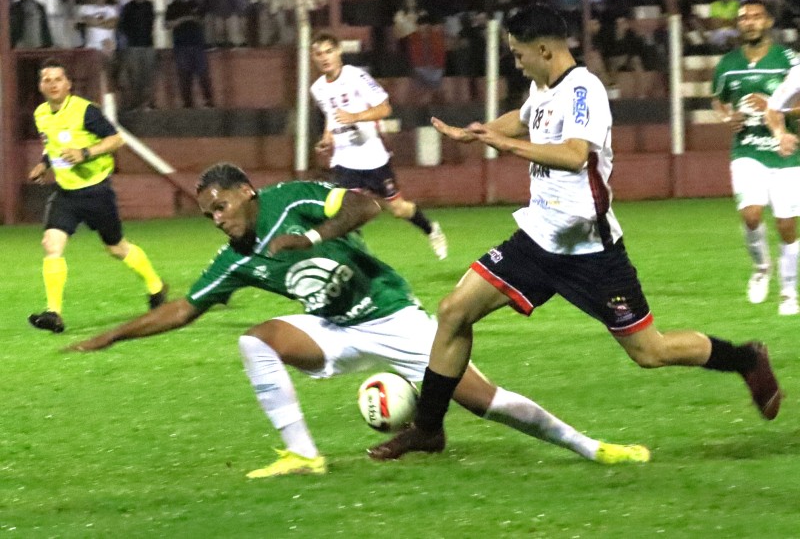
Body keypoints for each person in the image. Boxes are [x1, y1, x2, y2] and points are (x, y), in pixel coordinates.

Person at [368, 3, 783, 462]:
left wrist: (504, 145)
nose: (516, 62)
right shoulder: (542, 86)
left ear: (544, 49)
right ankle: (428, 429)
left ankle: (745, 358)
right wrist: (480, 132)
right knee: (453, 312)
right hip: (537, 240)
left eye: (519, 54)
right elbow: (524, 117)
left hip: (590, 252)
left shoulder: (585, 91)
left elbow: (574, 155)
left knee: (651, 351)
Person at [70, 163, 651, 478]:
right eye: (208, 215)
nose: (217, 220)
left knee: (485, 401)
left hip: (393, 316)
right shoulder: (236, 259)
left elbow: (366, 203)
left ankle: (591, 447)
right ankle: (303, 455)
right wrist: (112, 335)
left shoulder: (291, 201)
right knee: (256, 341)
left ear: (246, 193)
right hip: (334, 330)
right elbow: (183, 308)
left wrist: (313, 237)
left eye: (220, 207)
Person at [27, 59, 168, 334]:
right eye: (47, 80)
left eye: (58, 79)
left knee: (116, 248)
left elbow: (116, 139)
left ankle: (156, 286)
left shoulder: (85, 111)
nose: (53, 84)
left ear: (68, 84)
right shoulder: (41, 114)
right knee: (51, 244)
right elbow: (52, 144)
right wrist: (44, 164)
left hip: (95, 191)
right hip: (66, 193)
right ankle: (54, 313)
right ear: (41, 86)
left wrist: (85, 153)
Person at [309, 32, 448, 260]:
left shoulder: (355, 77)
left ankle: (431, 229)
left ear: (339, 52)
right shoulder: (318, 88)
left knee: (399, 209)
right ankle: (358, 260)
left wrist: (355, 117)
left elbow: (385, 108)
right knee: (347, 212)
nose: (324, 58)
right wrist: (327, 138)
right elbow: (331, 117)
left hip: (373, 158)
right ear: (313, 57)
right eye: (319, 54)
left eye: (329, 51)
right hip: (344, 160)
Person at [711, 0, 800, 315]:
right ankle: (762, 268)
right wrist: (727, 117)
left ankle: (788, 292)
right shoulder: (728, 63)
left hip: (786, 151)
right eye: (744, 17)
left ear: (769, 22)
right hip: (747, 149)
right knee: (750, 215)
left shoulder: (788, 60)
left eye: (756, 16)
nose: (749, 22)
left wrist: (774, 107)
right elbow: (718, 101)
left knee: (786, 225)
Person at [165, 0, 215, 109]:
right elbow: (167, 25)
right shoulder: (173, 6)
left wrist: (189, 19)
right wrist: (185, 19)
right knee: (184, 76)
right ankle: (187, 103)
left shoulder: (196, 4)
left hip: (197, 44)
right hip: (181, 45)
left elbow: (203, 20)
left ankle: (208, 101)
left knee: (203, 74)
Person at [118, 0, 157, 111]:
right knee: (135, 76)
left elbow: (151, 23)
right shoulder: (128, 7)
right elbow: (123, 25)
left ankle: (147, 102)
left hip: (147, 44)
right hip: (134, 45)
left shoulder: (149, 5)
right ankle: (136, 102)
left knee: (147, 75)